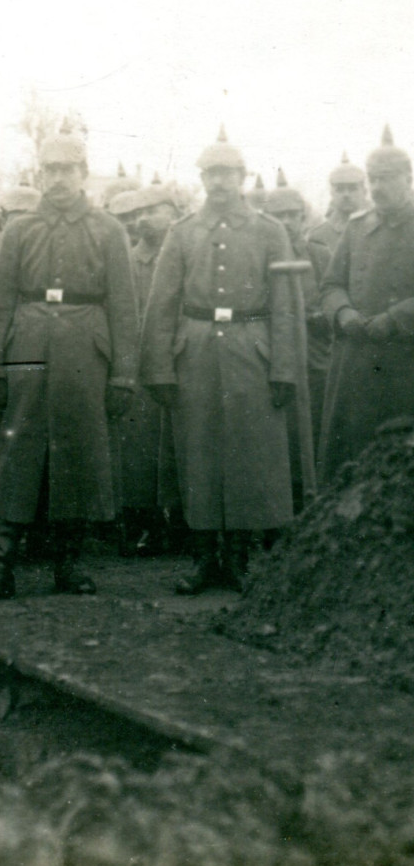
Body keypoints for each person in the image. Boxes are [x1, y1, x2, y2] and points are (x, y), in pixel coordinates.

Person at [0, 124, 139, 602]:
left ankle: (69, 564)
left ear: (84, 173)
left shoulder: (108, 230)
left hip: (87, 347)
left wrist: (124, 373)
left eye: (67, 169)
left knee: (79, 453)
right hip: (27, 343)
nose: (58, 179)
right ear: (40, 174)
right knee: (17, 452)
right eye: (50, 170)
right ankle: (1, 569)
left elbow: (124, 306)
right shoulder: (21, 229)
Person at [141, 127, 295, 594]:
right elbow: (162, 302)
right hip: (197, 351)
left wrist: (284, 366)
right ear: (202, 179)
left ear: (243, 176)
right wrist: (160, 369)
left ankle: (243, 558)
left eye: (228, 173)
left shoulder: (271, 231)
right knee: (199, 455)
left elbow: (286, 304)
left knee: (251, 455)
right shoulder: (182, 232)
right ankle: (205, 558)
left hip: (252, 348)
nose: (220, 182)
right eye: (211, 174)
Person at [319, 127, 414, 483]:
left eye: (386, 179)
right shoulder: (357, 228)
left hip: (405, 366)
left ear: (408, 178)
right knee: (352, 465)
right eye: (372, 179)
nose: (377, 188)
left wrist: (396, 318)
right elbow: (330, 285)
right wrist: (343, 313)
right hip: (355, 367)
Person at [108, 184, 181, 556]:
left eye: (153, 210)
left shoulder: (188, 255)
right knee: (138, 448)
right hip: (138, 362)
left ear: (174, 212)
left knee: (179, 444)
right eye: (137, 214)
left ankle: (183, 522)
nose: (142, 219)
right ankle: (144, 523)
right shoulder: (128, 260)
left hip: (179, 359)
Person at [261, 175, 332, 507]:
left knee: (316, 426)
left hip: (315, 355)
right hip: (273, 353)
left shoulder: (318, 254)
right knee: (278, 433)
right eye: (279, 216)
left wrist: (319, 316)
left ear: (303, 218)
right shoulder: (259, 257)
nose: (286, 222)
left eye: (293, 215)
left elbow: (332, 296)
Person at [309, 153, 368, 255]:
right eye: (340, 189)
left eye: (352, 188)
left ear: (364, 191)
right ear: (332, 193)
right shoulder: (319, 237)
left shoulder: (379, 229)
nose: (346, 194)